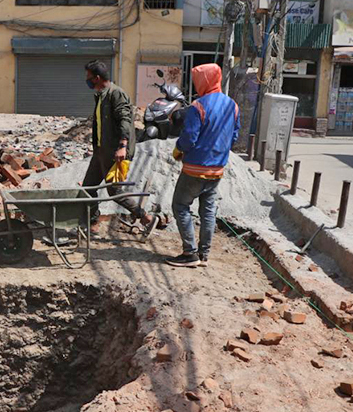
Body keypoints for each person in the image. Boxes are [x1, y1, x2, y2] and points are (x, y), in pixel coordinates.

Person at [166, 63, 239, 268]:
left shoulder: (198, 106)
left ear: (204, 81)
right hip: (217, 169)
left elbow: (189, 138)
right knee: (208, 211)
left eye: (198, 80)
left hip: (195, 168)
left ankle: (190, 253)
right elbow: (234, 136)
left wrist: (179, 149)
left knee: (180, 205)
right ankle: (204, 254)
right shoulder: (232, 106)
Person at [81, 60, 158, 236]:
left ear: (97, 78)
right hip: (101, 150)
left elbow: (125, 120)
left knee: (114, 190)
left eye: (89, 78)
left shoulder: (117, 94)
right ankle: (93, 223)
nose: (87, 81)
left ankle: (145, 217)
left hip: (115, 152)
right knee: (88, 188)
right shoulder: (101, 95)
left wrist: (122, 146)